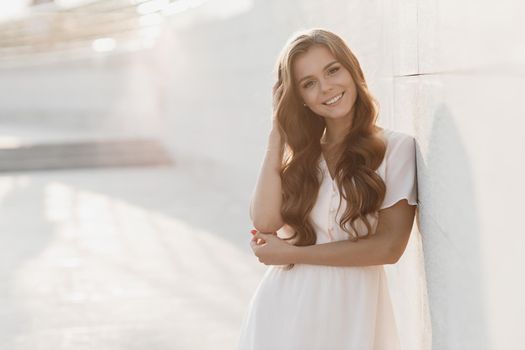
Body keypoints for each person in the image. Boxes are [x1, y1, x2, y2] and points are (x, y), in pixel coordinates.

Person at [237, 28, 417, 350]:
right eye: (309, 84)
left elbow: (388, 247)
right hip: (282, 314)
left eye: (332, 70)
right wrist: (276, 138)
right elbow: (265, 223)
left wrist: (292, 253)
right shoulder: (303, 159)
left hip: (353, 314)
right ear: (300, 99)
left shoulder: (394, 148)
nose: (326, 88)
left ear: (352, 69)